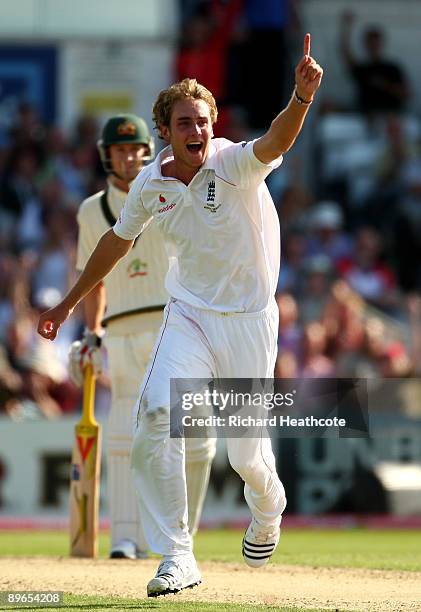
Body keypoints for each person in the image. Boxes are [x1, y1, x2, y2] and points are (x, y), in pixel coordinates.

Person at [38, 34, 323, 597]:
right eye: (184, 123)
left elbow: (275, 139)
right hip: (188, 312)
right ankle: (177, 555)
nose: (196, 132)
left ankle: (269, 507)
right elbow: (117, 243)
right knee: (154, 420)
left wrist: (301, 98)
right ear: (164, 131)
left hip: (248, 320)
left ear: (214, 126)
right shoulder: (151, 183)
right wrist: (68, 304)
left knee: (246, 457)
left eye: (203, 122)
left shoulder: (235, 163)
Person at [67, 114, 216, 559]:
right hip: (123, 330)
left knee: (196, 435)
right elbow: (92, 278)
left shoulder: (169, 191)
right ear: (106, 155)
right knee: (125, 434)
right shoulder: (90, 211)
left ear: (147, 152)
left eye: (134, 150)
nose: (128, 157)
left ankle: (178, 537)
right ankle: (126, 540)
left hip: (177, 325)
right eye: (119, 150)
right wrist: (91, 333)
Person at [339, 11, 409, 116]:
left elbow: (406, 94)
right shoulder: (363, 69)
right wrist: (346, 27)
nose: (373, 46)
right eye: (370, 43)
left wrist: (385, 85)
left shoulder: (392, 67)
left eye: (375, 43)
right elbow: (345, 54)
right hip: (364, 116)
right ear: (366, 44)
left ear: (381, 44)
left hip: (389, 118)